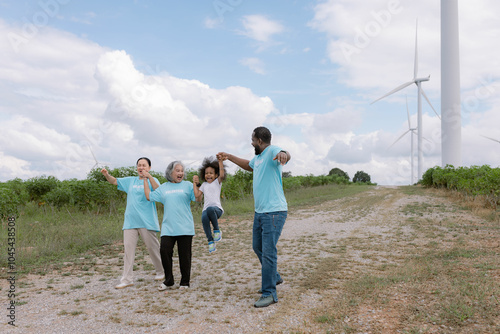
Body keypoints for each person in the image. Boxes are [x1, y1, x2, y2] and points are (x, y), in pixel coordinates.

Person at [217, 126, 291, 308]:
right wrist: (229, 156)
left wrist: (284, 154)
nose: (251, 143)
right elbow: (248, 166)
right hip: (260, 212)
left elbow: (283, 153)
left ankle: (269, 293)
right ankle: (274, 277)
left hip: (274, 211)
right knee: (257, 246)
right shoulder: (258, 159)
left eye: (252, 140)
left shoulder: (271, 152)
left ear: (259, 140)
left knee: (268, 252)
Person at [101, 157, 165, 289]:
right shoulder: (131, 181)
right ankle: (127, 279)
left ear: (149, 168)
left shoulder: (153, 180)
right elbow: (114, 181)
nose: (141, 167)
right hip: (130, 221)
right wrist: (106, 175)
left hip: (147, 221)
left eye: (144, 165)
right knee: (128, 250)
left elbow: (159, 191)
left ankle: (161, 271)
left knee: (152, 248)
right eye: (139, 165)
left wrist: (149, 177)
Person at [143, 161, 196, 290]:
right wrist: (146, 179)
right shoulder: (164, 187)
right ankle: (169, 280)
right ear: (170, 172)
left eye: (182, 171)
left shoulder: (188, 185)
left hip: (185, 226)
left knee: (185, 255)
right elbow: (149, 196)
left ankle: (185, 282)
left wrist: (197, 183)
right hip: (168, 227)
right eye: (177, 170)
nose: (181, 173)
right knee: (164, 251)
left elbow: (198, 198)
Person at [193, 156, 226, 254]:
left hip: (217, 210)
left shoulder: (217, 182)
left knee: (211, 209)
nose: (208, 175)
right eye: (207, 173)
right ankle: (210, 241)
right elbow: (197, 196)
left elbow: (222, 175)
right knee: (203, 217)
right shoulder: (203, 185)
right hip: (206, 210)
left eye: (211, 173)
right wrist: (195, 183)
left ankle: (217, 230)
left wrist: (220, 162)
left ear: (216, 175)